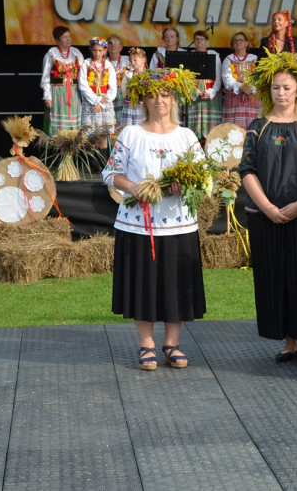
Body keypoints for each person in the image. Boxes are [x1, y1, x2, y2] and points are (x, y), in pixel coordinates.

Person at [103, 67, 206, 370]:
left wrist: (184, 184)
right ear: (143, 100)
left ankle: (171, 343)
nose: (159, 101)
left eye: (165, 95)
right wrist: (135, 187)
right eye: (152, 95)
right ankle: (146, 343)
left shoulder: (186, 136)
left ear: (174, 99)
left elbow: (202, 177)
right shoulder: (131, 134)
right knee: (143, 281)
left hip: (179, 222)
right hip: (138, 222)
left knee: (175, 281)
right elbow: (110, 173)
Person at [239, 52, 297, 365]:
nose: (281, 93)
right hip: (265, 217)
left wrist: (296, 206)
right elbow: (247, 169)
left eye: (287, 87)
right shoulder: (257, 125)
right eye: (276, 88)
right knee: (274, 276)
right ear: (269, 91)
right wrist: (266, 207)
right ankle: (287, 342)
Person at [41, 25, 85, 134]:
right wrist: (47, 96)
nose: (68, 39)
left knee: (73, 123)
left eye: (69, 36)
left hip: (74, 93)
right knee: (59, 124)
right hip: (57, 94)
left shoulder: (76, 53)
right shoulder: (51, 54)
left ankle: (72, 145)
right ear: (57, 40)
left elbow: (83, 76)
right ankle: (59, 145)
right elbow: (46, 77)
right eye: (64, 37)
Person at [79, 37, 117, 149]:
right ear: (91, 49)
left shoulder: (108, 65)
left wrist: (102, 104)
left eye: (100, 50)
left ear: (105, 50)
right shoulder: (86, 64)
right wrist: (96, 100)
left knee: (103, 134)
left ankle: (104, 158)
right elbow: (83, 84)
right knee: (90, 132)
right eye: (95, 50)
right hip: (91, 102)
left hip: (105, 103)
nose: (97, 53)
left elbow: (113, 87)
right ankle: (91, 160)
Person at [188, 29, 222, 140]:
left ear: (206, 41)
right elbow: (186, 79)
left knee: (210, 128)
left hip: (210, 94)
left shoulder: (214, 56)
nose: (199, 42)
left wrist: (210, 92)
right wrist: (195, 92)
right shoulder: (189, 56)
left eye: (201, 40)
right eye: (196, 40)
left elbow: (218, 77)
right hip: (194, 94)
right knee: (195, 128)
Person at [221, 31, 261, 129]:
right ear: (232, 45)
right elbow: (227, 81)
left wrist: (250, 88)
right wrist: (241, 87)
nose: (238, 42)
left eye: (240, 40)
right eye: (235, 41)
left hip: (252, 98)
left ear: (246, 43)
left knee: (254, 129)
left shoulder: (255, 59)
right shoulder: (228, 59)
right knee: (234, 131)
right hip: (234, 100)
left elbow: (259, 78)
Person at [119, 47, 150, 127]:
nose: (132, 62)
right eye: (131, 60)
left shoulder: (150, 76)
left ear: (143, 60)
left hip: (144, 108)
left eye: (135, 60)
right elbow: (123, 92)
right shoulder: (128, 75)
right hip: (131, 107)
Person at [108, 34, 131, 124]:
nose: (113, 45)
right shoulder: (103, 61)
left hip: (124, 97)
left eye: (116, 43)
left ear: (121, 47)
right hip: (108, 97)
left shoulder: (128, 60)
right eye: (110, 43)